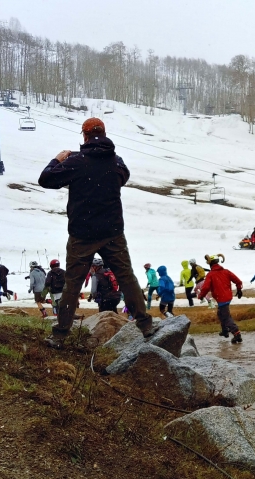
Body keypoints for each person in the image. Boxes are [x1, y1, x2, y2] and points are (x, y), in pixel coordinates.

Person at [38, 117, 153, 348]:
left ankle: (60, 334)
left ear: (84, 136)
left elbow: (46, 180)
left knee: (72, 284)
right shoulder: (116, 161)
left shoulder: (76, 162)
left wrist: (57, 159)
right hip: (112, 232)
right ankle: (146, 326)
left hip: (82, 235)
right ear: (105, 133)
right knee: (127, 278)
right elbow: (123, 177)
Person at [197, 254, 243, 344]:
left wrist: (201, 295)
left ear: (211, 264)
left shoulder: (211, 274)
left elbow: (205, 287)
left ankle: (237, 334)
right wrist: (239, 289)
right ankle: (225, 330)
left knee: (225, 317)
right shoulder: (226, 271)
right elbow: (238, 281)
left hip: (221, 298)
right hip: (227, 296)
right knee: (220, 313)